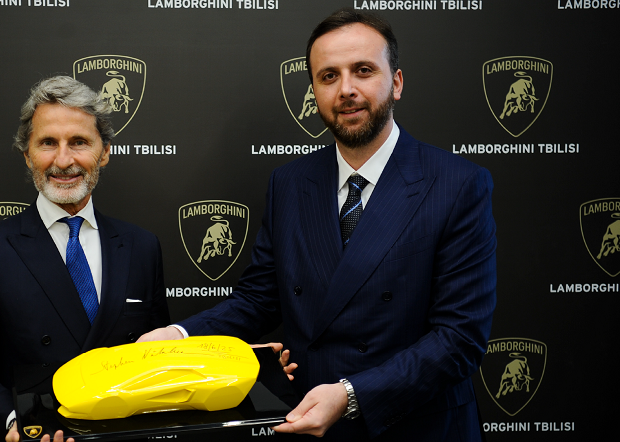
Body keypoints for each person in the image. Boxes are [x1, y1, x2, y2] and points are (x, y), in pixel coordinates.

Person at [138, 9, 496, 441]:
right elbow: (259, 299)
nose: (346, 89)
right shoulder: (290, 183)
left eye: (363, 70)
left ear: (396, 82)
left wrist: (351, 395)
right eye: (329, 76)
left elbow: (460, 339)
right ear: (315, 92)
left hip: (419, 426)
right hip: (311, 424)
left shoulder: (457, 184)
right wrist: (177, 336)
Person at [0, 76, 170, 442]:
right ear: (27, 154)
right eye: (48, 143)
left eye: (79, 142)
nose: (63, 161)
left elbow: (157, 355)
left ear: (104, 152)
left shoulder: (142, 246)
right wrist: (17, 424)